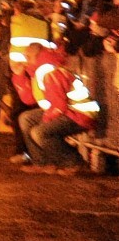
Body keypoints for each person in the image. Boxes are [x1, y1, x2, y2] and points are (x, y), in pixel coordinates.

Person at [13, 40, 98, 175]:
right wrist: (19, 76)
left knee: (39, 132)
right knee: (25, 118)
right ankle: (42, 163)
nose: (25, 61)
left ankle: (74, 163)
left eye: (27, 57)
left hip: (80, 113)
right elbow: (29, 99)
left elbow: (59, 105)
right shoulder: (40, 71)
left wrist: (44, 122)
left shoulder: (51, 71)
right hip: (68, 111)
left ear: (36, 56)